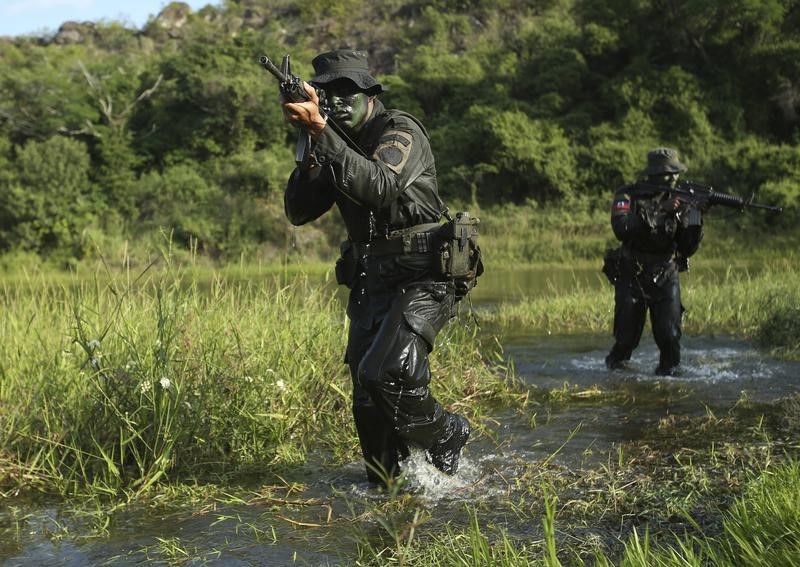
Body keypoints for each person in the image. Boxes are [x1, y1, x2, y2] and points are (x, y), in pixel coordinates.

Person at [280, 49, 471, 486]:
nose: (337, 102)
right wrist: (310, 148)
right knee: (367, 401)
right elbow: (298, 211)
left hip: (424, 272)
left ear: (370, 95)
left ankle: (447, 433)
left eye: (347, 92)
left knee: (384, 370)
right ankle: (389, 492)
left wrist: (321, 131)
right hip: (371, 279)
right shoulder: (329, 141)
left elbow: (381, 186)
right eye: (327, 94)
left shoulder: (399, 131)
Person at [603, 147, 704, 376]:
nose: (674, 178)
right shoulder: (628, 195)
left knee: (669, 338)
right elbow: (622, 229)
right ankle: (616, 378)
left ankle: (667, 386)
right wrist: (661, 210)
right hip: (632, 272)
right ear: (655, 175)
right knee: (626, 339)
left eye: (676, 172)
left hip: (666, 272)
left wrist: (696, 215)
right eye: (669, 174)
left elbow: (687, 247)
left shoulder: (680, 199)